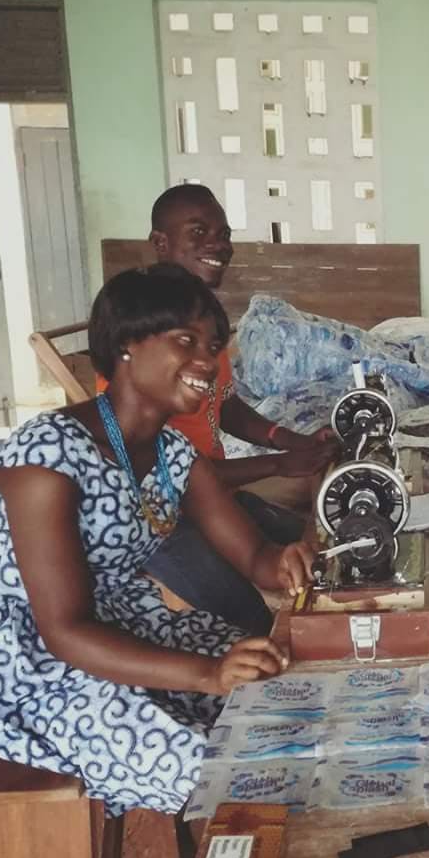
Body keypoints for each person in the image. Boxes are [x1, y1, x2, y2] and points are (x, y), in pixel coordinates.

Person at [0, 266, 310, 816]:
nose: (207, 361)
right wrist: (209, 675)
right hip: (32, 664)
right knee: (222, 772)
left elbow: (257, 558)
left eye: (213, 346)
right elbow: (64, 631)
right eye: (186, 341)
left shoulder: (173, 455)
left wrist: (289, 561)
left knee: (283, 687)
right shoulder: (47, 454)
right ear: (126, 345)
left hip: (126, 624)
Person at [109, 184, 338, 634]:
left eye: (224, 234)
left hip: (205, 497)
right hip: (161, 527)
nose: (218, 244)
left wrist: (287, 442)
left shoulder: (199, 321)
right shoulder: (139, 333)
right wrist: (278, 463)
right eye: (198, 232)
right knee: (252, 624)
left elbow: (223, 405)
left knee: (321, 552)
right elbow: (166, 480)